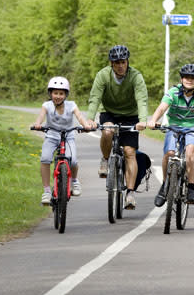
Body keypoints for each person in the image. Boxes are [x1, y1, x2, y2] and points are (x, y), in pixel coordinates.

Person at [84, 45, 149, 210]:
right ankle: (105, 160)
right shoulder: (103, 75)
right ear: (111, 64)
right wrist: (90, 119)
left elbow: (141, 99)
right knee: (107, 131)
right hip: (110, 113)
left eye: (123, 62)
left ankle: (130, 193)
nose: (120, 65)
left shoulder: (136, 76)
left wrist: (142, 120)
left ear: (127, 62)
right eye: (116, 62)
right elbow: (95, 98)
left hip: (131, 115)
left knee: (129, 152)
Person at [147, 63, 194, 206]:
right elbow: (162, 108)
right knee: (169, 153)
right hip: (175, 126)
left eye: (192, 78)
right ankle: (165, 187)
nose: (189, 80)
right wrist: (153, 120)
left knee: (191, 150)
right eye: (186, 77)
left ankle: (191, 188)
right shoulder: (173, 92)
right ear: (181, 79)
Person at [33, 76, 93, 205]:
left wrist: (85, 125)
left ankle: (75, 182)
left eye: (61, 93)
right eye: (55, 93)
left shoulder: (71, 105)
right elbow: (41, 117)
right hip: (51, 136)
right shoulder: (46, 105)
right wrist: (38, 124)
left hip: (68, 136)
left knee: (73, 160)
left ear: (66, 95)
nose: (58, 96)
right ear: (50, 93)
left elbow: (80, 117)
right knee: (45, 158)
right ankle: (47, 191)